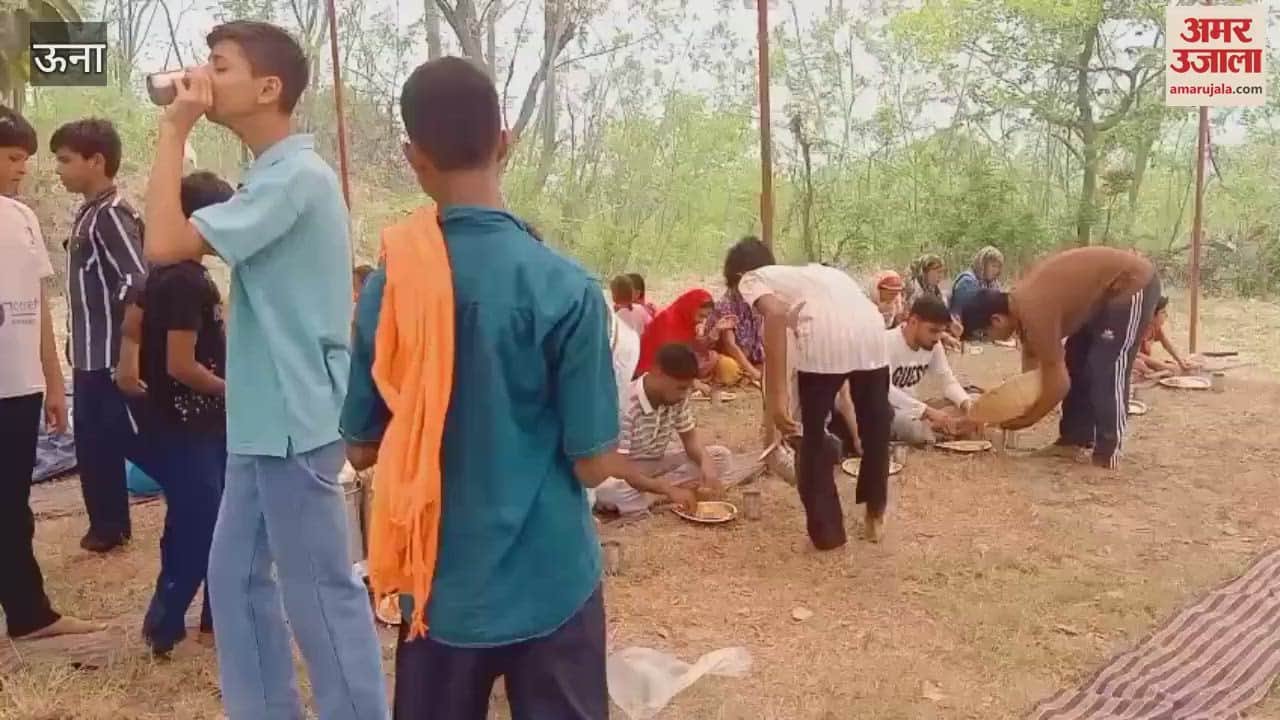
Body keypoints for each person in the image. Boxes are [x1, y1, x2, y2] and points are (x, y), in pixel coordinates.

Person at [341, 56, 621, 720]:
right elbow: (588, 461)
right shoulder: (567, 287)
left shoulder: (391, 285)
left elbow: (359, 449)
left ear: (413, 156)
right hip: (552, 577)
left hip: (440, 588)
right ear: (506, 140)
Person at [142, 21, 387, 718]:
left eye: (220, 65)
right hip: (261, 416)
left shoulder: (294, 180)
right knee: (236, 578)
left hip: (294, 417)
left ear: (268, 87)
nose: (204, 76)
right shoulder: (271, 176)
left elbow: (164, 243)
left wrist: (171, 131)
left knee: (319, 592)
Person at [0, 104, 102, 641]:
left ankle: (29, 613)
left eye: (26, 159)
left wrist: (54, 380)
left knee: (14, 503)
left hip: (18, 387)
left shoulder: (21, 218)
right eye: (13, 157)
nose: (22, 169)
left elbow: (37, 302)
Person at [120, 172, 233, 656]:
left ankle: (215, 619)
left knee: (205, 517)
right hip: (192, 423)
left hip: (188, 421)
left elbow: (132, 325)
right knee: (201, 522)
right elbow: (181, 365)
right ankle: (165, 626)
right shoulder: (187, 281)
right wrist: (236, 391)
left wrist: (126, 369)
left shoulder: (162, 273)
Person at [960, 247, 1160, 469]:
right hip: (1099, 298)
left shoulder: (1034, 313)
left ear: (996, 320)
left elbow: (1058, 384)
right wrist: (1015, 403)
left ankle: (1108, 452)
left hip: (1130, 285)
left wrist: (1029, 418)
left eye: (985, 335)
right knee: (1076, 358)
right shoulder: (1020, 306)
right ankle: (1075, 439)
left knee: (1106, 367)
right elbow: (1035, 367)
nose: (990, 340)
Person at [739, 261, 892, 546]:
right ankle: (875, 513)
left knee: (812, 437)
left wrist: (778, 396)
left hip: (822, 338)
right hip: (871, 330)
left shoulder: (751, 277)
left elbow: (774, 315)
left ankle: (828, 532)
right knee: (877, 430)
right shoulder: (824, 275)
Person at [51, 118, 149, 553]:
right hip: (88, 355)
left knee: (127, 439)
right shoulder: (88, 213)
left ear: (97, 161)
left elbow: (137, 282)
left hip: (109, 356)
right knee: (93, 445)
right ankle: (109, 526)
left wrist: (129, 354)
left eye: (65, 160)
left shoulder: (111, 216)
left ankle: (195, 496)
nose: (58, 169)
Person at [595, 343, 730, 515]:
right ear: (658, 372)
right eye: (680, 387)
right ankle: (669, 492)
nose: (684, 394)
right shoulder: (626, 404)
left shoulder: (677, 398)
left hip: (656, 465)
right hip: (625, 470)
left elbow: (691, 441)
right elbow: (620, 467)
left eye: (688, 388)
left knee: (720, 456)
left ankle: (652, 496)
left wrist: (706, 465)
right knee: (607, 491)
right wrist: (667, 489)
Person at [886, 296, 975, 445]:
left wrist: (968, 406)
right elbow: (883, 390)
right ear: (913, 322)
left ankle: (942, 428)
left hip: (917, 409)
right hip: (890, 410)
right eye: (933, 331)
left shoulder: (934, 344)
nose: (938, 337)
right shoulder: (886, 342)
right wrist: (927, 412)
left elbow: (947, 381)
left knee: (973, 400)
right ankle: (940, 431)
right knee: (911, 427)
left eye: (941, 331)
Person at [705, 236, 766, 386]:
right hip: (728, 358)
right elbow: (730, 346)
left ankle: (747, 371)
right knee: (729, 368)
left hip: (748, 358)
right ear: (741, 277)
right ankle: (746, 372)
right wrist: (754, 373)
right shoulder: (726, 305)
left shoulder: (754, 301)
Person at [635, 288, 722, 378]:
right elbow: (669, 360)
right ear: (690, 308)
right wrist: (693, 383)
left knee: (712, 357)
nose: (701, 321)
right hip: (652, 370)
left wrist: (715, 331)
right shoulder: (669, 321)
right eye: (701, 316)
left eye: (705, 317)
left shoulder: (686, 320)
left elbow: (691, 346)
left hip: (673, 362)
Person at [1134, 297, 1199, 379]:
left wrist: (1181, 362)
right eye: (1163, 312)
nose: (1166, 315)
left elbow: (1167, 345)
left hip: (1145, 364)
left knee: (1173, 368)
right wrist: (1164, 366)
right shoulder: (1138, 330)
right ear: (1151, 315)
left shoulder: (1155, 328)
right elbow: (1135, 355)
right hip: (1132, 364)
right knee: (1139, 364)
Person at [950, 245, 1004, 330]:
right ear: (983, 265)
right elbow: (964, 311)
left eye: (998, 267)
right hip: (963, 327)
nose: (995, 270)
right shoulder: (967, 281)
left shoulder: (992, 283)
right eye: (993, 266)